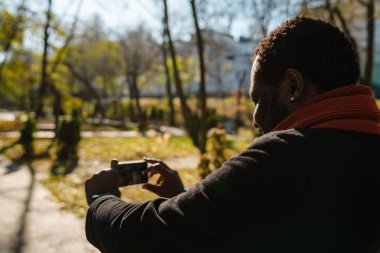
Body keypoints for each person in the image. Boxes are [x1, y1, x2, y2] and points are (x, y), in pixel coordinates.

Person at [85, 16, 380, 253]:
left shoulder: (284, 155)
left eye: (257, 100)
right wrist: (186, 200)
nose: (254, 120)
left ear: (292, 86)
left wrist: (101, 199)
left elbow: (146, 237)